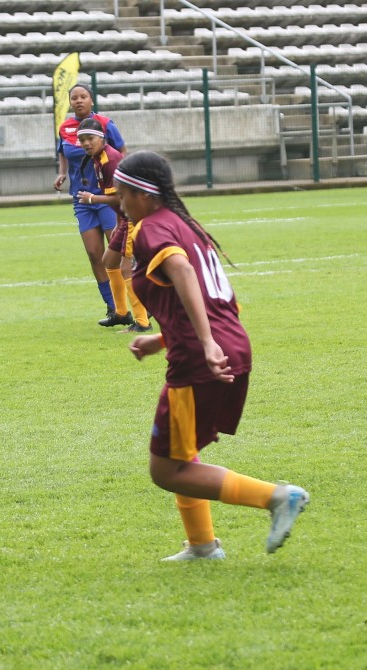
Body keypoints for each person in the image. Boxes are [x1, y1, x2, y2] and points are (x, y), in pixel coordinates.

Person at [116, 150, 308, 560]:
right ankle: (202, 545)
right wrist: (162, 339)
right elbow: (209, 300)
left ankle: (278, 497)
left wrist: (203, 343)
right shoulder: (187, 225)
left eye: (125, 194)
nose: (121, 202)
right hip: (230, 343)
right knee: (182, 451)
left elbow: (184, 274)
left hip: (203, 356)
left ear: (145, 195)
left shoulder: (152, 228)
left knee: (167, 469)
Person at [54, 84, 127, 324]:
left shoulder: (106, 124)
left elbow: (122, 153)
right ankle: (112, 307)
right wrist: (63, 173)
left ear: (91, 100)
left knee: (118, 252)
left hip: (106, 197)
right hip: (82, 200)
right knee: (94, 254)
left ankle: (135, 304)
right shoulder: (65, 128)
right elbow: (62, 152)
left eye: (83, 96)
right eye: (74, 97)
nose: (78, 101)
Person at [75, 118, 152, 333]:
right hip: (125, 218)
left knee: (127, 268)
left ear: (102, 138)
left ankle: (143, 322)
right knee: (109, 260)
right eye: (82, 140)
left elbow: (120, 198)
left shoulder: (110, 160)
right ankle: (120, 313)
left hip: (134, 217)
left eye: (90, 138)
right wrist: (119, 223)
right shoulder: (98, 158)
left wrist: (93, 199)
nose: (86, 143)